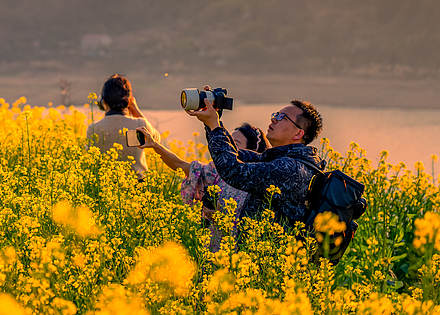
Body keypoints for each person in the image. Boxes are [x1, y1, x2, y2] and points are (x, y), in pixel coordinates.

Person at [187, 94, 325, 230]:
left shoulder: (291, 169)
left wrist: (214, 126)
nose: (274, 120)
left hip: (269, 251)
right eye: (275, 114)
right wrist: (212, 123)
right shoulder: (278, 158)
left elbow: (234, 171)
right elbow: (233, 155)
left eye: (282, 117)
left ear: (298, 134)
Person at [141, 123, 266, 250]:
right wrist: (154, 145)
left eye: (236, 144)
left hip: (241, 256)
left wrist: (217, 218)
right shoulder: (217, 172)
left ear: (252, 151)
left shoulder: (261, 184)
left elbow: (253, 233)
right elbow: (179, 164)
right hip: (211, 250)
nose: (229, 147)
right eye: (229, 142)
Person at [86, 74, 160, 180]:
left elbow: (91, 161)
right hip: (139, 189)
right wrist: (135, 111)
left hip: (105, 187)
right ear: (129, 101)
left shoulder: (93, 129)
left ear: (103, 102)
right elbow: (156, 140)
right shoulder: (139, 125)